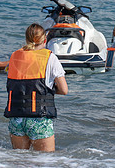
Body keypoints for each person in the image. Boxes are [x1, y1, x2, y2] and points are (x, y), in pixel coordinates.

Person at [4, 23, 68, 152]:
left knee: (19, 162)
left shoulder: (14, 57)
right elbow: (64, 90)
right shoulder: (50, 58)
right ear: (45, 40)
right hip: (39, 119)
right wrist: (48, 90)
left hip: (17, 118)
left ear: (26, 39)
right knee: (44, 163)